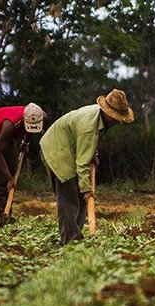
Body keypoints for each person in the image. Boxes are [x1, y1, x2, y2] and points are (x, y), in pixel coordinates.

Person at [40, 89, 134, 245]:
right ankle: (70, 241)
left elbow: (86, 146)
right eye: (117, 118)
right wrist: (86, 189)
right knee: (69, 197)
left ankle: (75, 235)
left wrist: (93, 155)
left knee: (81, 198)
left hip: (68, 147)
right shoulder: (90, 126)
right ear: (108, 113)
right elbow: (82, 163)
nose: (118, 122)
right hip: (57, 150)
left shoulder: (98, 118)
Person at [0, 103, 46, 226]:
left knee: (11, 168)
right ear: (23, 121)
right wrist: (9, 179)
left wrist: (25, 142)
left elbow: (31, 128)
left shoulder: (41, 116)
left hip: (7, 137)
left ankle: (6, 214)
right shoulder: (9, 126)